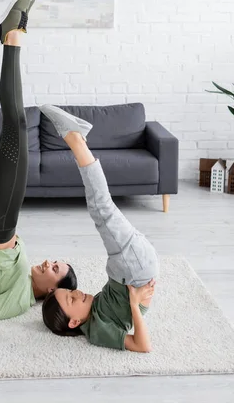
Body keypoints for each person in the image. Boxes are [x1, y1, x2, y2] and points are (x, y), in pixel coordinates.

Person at [0, 0, 77, 328]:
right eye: (56, 263)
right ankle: (8, 37)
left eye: (55, 269)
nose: (49, 263)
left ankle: (11, 37)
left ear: (52, 290)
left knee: (17, 122)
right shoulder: (24, 278)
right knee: (14, 125)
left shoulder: (21, 299)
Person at [40, 104, 159, 352]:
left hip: (128, 267)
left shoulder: (92, 316)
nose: (78, 292)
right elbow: (143, 346)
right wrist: (135, 305)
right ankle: (75, 139)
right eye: (72, 299)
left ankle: (78, 140)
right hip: (132, 269)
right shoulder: (96, 333)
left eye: (70, 293)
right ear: (74, 322)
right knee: (101, 208)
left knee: (102, 209)